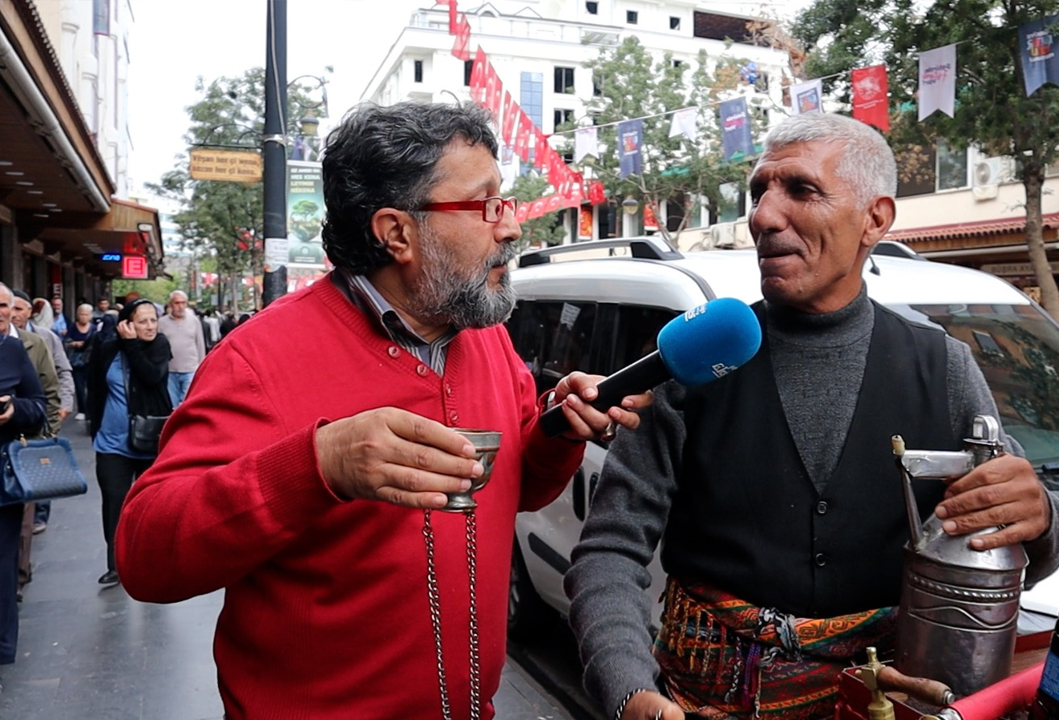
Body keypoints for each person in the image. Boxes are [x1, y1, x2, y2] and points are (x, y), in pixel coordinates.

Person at [114, 102, 645, 720]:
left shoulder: (485, 335)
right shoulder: (258, 358)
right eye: (486, 205)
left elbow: (513, 490)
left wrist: (556, 428)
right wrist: (317, 466)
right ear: (397, 233)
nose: (510, 228)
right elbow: (145, 557)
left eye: (507, 204)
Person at [565, 114, 1059, 720]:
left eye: (800, 190)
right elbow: (608, 552)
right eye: (759, 192)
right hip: (699, 702)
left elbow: (1027, 551)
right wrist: (629, 689)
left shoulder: (944, 368)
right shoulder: (692, 360)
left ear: (875, 219)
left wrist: (1039, 518)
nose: (763, 216)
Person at [86, 298, 172, 587]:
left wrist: (133, 345)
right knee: (114, 504)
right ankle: (116, 566)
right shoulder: (108, 349)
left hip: (149, 440)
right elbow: (95, 388)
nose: (149, 326)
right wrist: (94, 426)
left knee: (150, 505)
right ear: (126, 324)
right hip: (111, 443)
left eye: (153, 320)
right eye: (142, 321)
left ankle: (151, 561)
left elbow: (151, 377)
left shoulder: (160, 345)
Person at [0, 283, 47, 669]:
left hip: (3, 480)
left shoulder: (13, 350)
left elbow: (39, 406)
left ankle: (2, 650)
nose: (3, 312)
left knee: (3, 569)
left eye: (5, 305)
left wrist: (14, 410)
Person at [11, 290, 74, 533]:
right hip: (13, 423)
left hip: (37, 418)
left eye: (19, 309)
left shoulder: (43, 338)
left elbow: (59, 375)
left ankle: (40, 514)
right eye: (10, 308)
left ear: (30, 311)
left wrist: (63, 406)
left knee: (41, 464)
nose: (14, 314)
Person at [157, 290, 206, 406]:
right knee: (172, 405)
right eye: (177, 303)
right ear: (170, 304)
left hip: (190, 369)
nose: (180, 306)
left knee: (187, 404)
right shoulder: (161, 322)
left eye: (183, 303)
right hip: (169, 371)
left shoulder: (194, 321)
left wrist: (201, 366)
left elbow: (200, 344)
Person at [65, 303, 97, 421]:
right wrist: (74, 343)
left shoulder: (94, 328)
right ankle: (82, 409)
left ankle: (90, 409)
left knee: (90, 386)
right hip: (76, 360)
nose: (84, 317)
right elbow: (66, 341)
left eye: (86, 314)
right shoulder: (73, 327)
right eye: (82, 314)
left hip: (90, 360)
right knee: (79, 386)